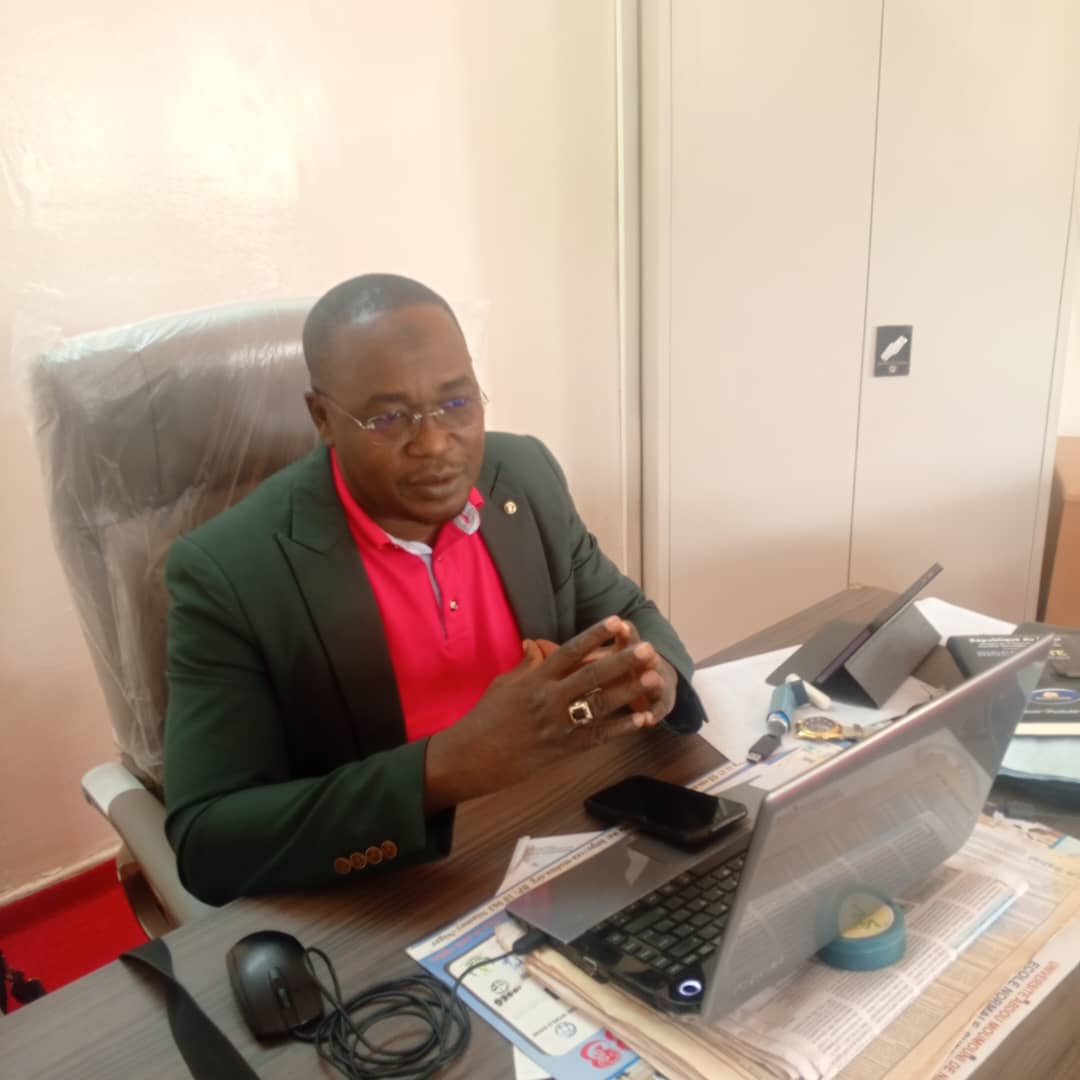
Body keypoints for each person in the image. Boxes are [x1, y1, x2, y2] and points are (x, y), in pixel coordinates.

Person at [163, 273, 705, 905]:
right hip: (392, 890)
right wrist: (444, 768)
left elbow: (629, 612)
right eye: (388, 418)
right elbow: (209, 841)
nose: (435, 443)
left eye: (457, 402)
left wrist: (658, 675)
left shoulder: (523, 474)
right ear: (323, 418)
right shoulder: (228, 571)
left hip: (560, 829)